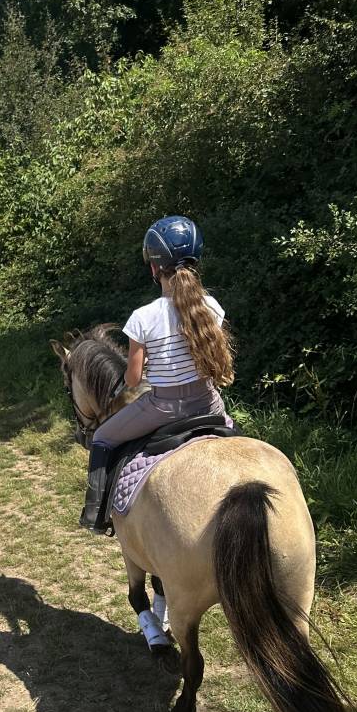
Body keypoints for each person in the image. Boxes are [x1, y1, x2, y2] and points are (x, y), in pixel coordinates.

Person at [79, 215, 234, 532]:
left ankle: (95, 516)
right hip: (208, 402)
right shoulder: (211, 306)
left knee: (102, 437)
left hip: (164, 407)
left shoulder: (143, 317)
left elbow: (133, 380)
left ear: (154, 267)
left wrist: (152, 362)